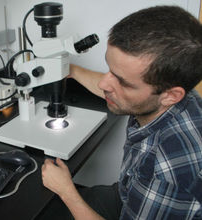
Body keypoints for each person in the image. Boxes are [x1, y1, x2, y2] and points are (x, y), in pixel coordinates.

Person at [40, 5, 202, 220]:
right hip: (129, 193)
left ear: (170, 95)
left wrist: (66, 191)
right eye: (110, 69)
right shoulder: (178, 95)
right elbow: (112, 83)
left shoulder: (167, 171)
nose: (105, 83)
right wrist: (70, 70)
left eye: (123, 82)